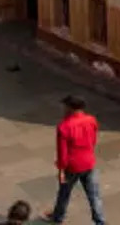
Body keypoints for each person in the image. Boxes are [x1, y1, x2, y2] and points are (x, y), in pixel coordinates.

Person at [44, 95, 105, 225]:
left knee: (64, 193)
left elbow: (62, 152)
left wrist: (61, 170)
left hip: (72, 166)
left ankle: (58, 217)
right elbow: (93, 140)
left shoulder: (64, 126)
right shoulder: (91, 120)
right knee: (94, 195)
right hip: (89, 162)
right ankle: (100, 221)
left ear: (70, 108)